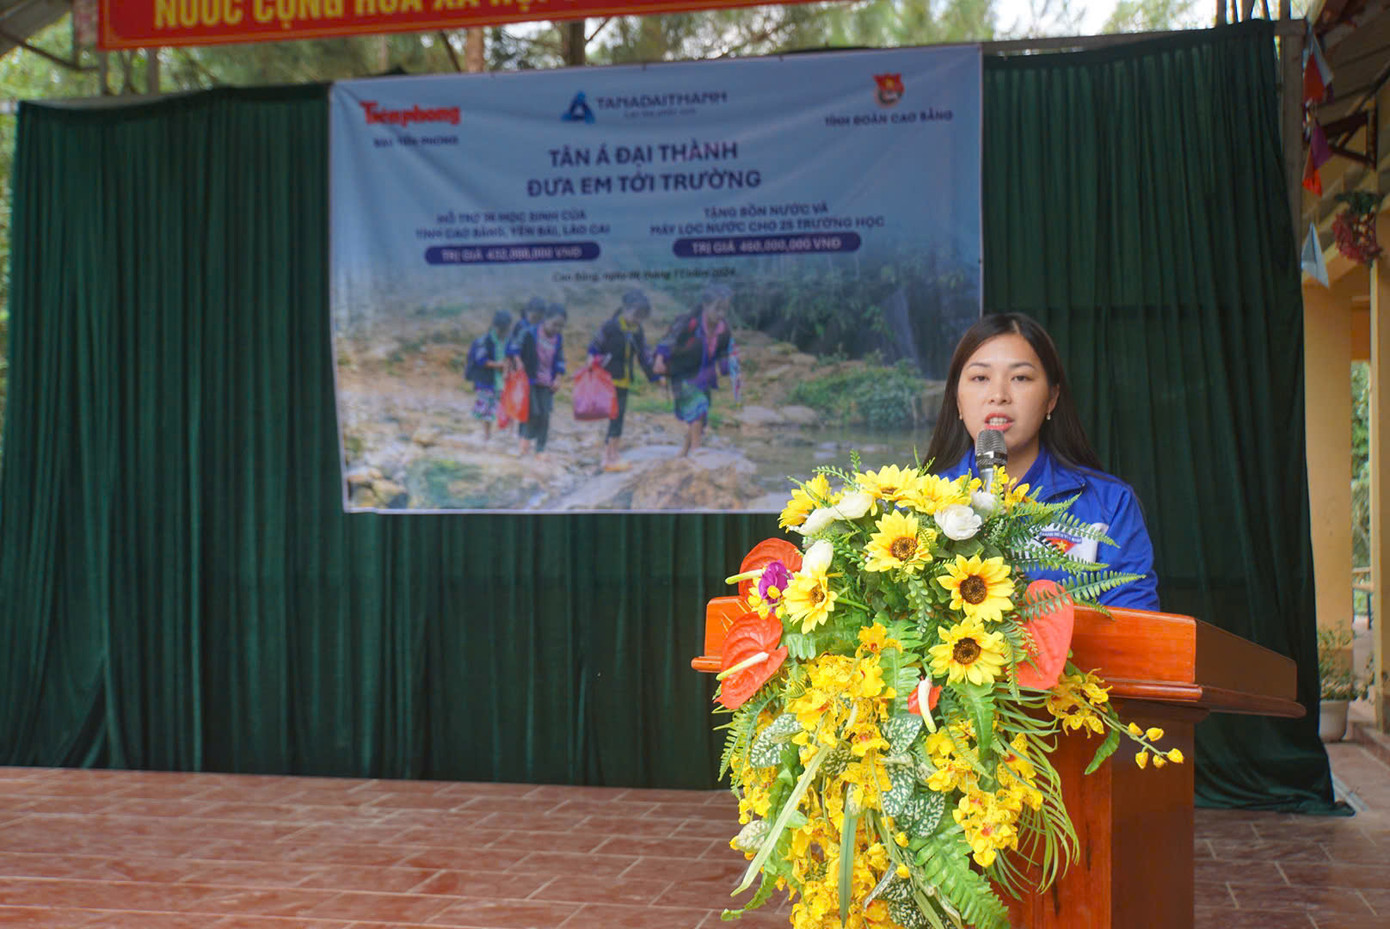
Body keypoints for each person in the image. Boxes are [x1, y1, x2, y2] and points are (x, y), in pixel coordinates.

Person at [925, 313, 1159, 610]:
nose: (998, 395)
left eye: (1020, 378)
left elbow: (1137, 633)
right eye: (980, 378)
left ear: (1051, 397)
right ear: (957, 401)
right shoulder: (919, 504)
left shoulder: (1110, 505)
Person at [655, 283, 738, 458]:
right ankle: (696, 449)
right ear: (706, 306)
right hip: (682, 372)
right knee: (698, 406)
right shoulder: (689, 322)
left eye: (725, 310)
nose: (721, 314)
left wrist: (726, 368)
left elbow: (723, 351)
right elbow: (668, 340)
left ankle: (685, 450)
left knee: (700, 415)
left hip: (704, 376)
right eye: (717, 309)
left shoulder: (724, 328)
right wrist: (660, 359)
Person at [588, 289, 662, 472]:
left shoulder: (637, 331)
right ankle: (607, 456)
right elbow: (594, 347)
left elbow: (644, 356)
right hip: (608, 380)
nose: (638, 320)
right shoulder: (610, 327)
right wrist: (592, 364)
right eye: (636, 315)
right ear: (625, 309)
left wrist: (655, 376)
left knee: (619, 417)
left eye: (642, 317)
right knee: (615, 416)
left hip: (625, 380)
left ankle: (613, 453)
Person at [510, 303, 567, 457]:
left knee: (545, 415)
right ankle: (524, 446)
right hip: (529, 379)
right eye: (554, 324)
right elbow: (514, 346)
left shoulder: (558, 339)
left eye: (560, 327)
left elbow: (560, 360)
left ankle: (540, 450)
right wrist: (518, 361)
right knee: (531, 413)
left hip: (547, 382)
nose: (557, 329)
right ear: (545, 319)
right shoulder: (530, 332)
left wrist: (558, 378)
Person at [464, 310, 512, 441]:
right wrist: (500, 365)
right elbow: (481, 360)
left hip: (503, 380)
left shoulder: (508, 340)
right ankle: (487, 434)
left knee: (505, 406)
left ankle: (505, 433)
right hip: (486, 380)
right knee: (486, 408)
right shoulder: (484, 341)